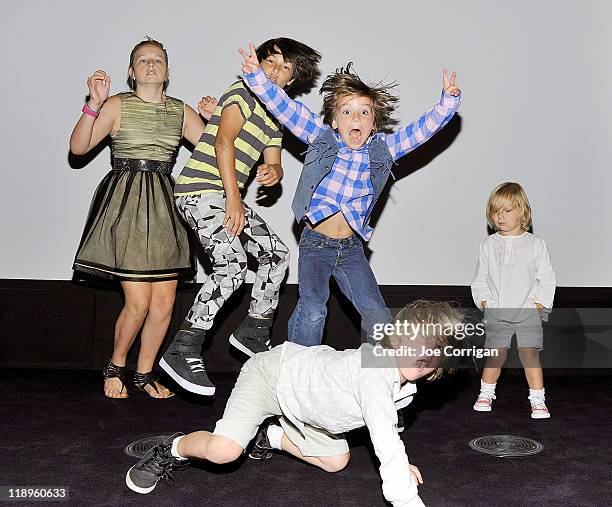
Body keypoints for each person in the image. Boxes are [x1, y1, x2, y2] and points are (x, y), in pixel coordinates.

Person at [125, 300, 463, 506]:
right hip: (273, 376)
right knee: (224, 452)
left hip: (306, 406)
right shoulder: (375, 372)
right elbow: (385, 438)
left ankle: (268, 437)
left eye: (433, 352)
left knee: (336, 461)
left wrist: (401, 463)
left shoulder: (404, 387)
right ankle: (173, 448)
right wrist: (408, 500)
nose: (422, 357)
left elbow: (391, 426)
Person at [239, 43, 461, 347]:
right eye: (347, 112)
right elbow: (286, 109)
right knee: (314, 309)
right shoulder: (321, 137)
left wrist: (447, 103)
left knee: (378, 315)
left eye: (364, 113)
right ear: (334, 121)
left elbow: (419, 132)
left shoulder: (382, 149)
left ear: (373, 122)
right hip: (315, 243)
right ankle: (296, 370)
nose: (355, 119)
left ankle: (379, 379)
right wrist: (257, 79)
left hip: (351, 249)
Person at [160, 38, 321, 396]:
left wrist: (273, 171)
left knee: (276, 254)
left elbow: (273, 157)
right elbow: (223, 142)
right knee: (231, 265)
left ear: (291, 81)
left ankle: (254, 330)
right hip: (201, 191)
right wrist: (234, 198)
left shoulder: (277, 111)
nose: (275, 73)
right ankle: (183, 347)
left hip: (224, 196)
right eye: (271, 63)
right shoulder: (241, 91)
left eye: (285, 70)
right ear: (258, 64)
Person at [70, 38, 217, 399]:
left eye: (158, 60)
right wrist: (93, 104)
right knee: (137, 302)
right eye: (142, 60)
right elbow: (78, 148)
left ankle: (144, 373)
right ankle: (115, 365)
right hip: (127, 205)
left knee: (164, 302)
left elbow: (216, 154)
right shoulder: (117, 104)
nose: (151, 64)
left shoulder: (181, 111)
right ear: (132, 71)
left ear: (167, 72)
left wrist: (215, 124)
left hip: (166, 206)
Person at [471, 182, 556, 418]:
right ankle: (485, 393)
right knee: (496, 355)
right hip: (498, 311)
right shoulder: (488, 245)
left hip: (528, 311)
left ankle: (538, 400)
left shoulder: (536, 244)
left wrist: (538, 305)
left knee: (529, 354)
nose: (501, 216)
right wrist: (486, 302)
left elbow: (547, 278)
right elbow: (480, 279)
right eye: (496, 211)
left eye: (507, 210)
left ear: (523, 212)